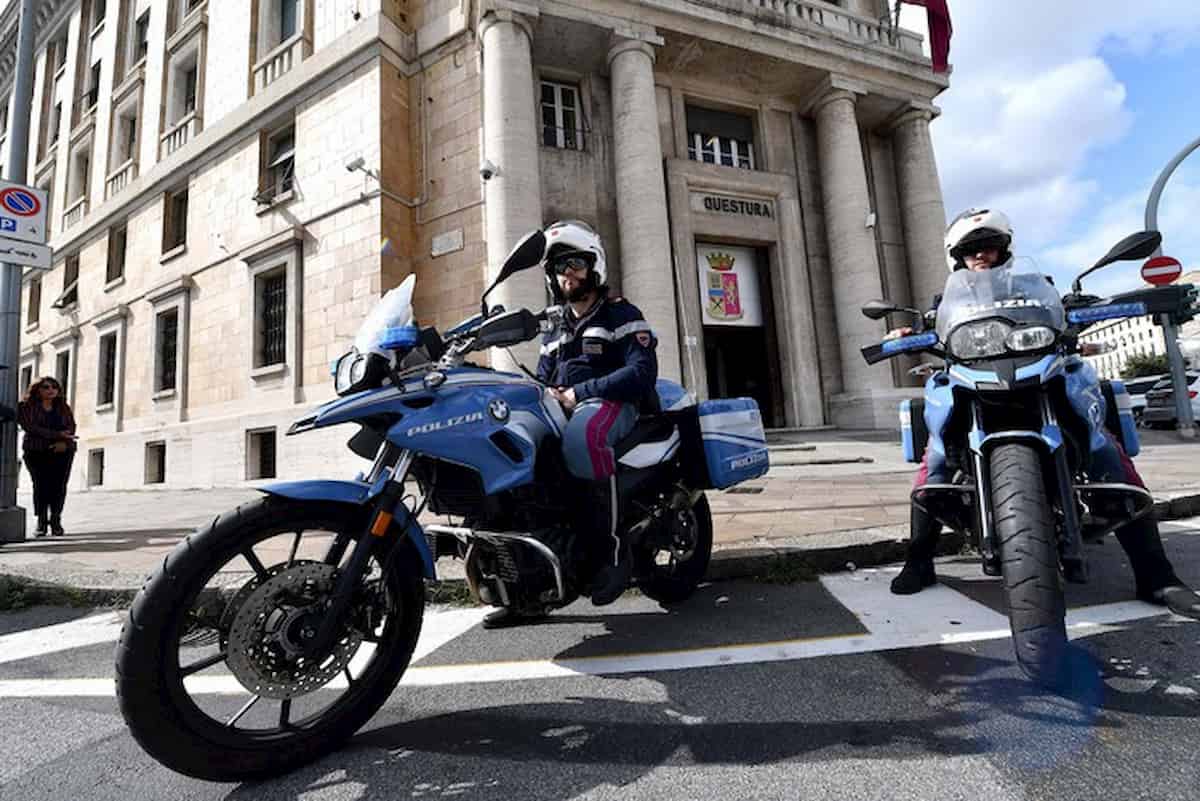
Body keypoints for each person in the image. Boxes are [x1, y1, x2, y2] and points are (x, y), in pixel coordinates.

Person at [888, 208, 1200, 619]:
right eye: (970, 250)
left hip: (1042, 373)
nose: (980, 254)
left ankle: (1158, 575)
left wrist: (1089, 306)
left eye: (989, 246)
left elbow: (1061, 312)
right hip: (972, 380)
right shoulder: (946, 302)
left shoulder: (1038, 286)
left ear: (1005, 249)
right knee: (936, 458)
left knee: (1105, 448)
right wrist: (907, 334)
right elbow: (934, 328)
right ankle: (918, 561)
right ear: (956, 257)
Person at [483, 221, 658, 629]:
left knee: (584, 437)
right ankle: (524, 584)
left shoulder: (620, 313)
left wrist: (580, 393)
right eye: (559, 268)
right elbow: (543, 378)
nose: (567, 274)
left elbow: (641, 371)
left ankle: (611, 552)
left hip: (612, 404)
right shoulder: (557, 326)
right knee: (505, 445)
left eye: (575, 264)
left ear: (594, 267)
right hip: (563, 407)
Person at [17, 376, 77, 537]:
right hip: (36, 451)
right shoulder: (26, 407)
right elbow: (30, 427)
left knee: (59, 486)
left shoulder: (62, 407)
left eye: (54, 387)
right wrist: (57, 435)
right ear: (37, 389)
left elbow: (71, 426)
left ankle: (56, 519)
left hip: (62, 451)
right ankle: (41, 521)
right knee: (41, 486)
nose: (51, 390)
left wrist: (63, 441)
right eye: (46, 387)